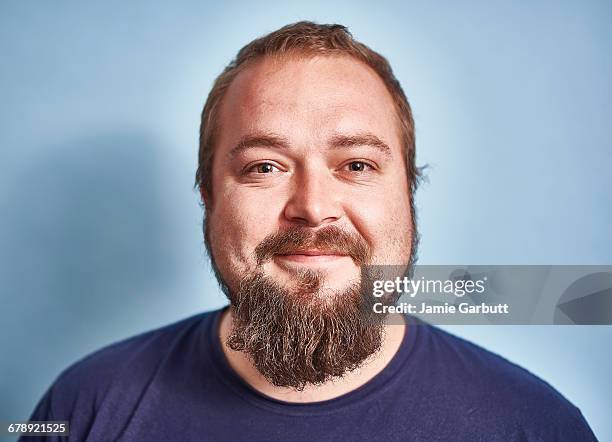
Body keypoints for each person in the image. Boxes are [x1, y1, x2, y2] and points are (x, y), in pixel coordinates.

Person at [26, 21, 596, 441]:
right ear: (208, 194)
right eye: (264, 167)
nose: (313, 208)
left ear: (408, 192)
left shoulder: (537, 425)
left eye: (356, 165)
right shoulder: (82, 409)